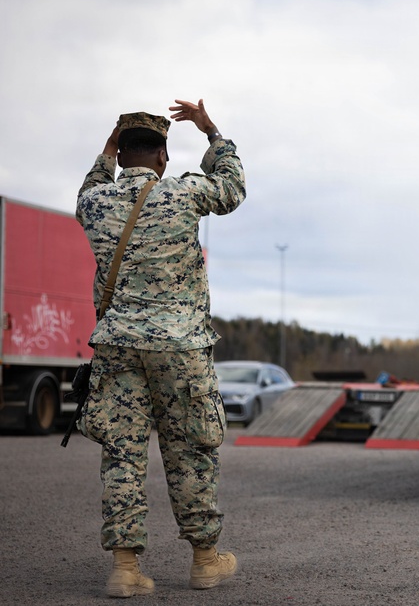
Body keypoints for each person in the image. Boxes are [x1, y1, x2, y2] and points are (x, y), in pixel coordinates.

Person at [75, 100, 246, 597]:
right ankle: (205, 561)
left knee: (122, 455)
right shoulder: (183, 192)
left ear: (121, 152)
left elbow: (89, 186)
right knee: (191, 450)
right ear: (162, 157)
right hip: (179, 346)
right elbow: (233, 186)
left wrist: (109, 148)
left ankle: (125, 569)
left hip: (117, 345)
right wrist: (212, 132)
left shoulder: (96, 203)